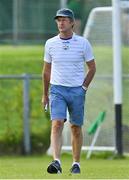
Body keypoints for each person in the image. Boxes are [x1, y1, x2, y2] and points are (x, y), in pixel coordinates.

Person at [42, 8, 96, 174]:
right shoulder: (50, 43)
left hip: (76, 91)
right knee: (57, 123)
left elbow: (92, 68)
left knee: (75, 127)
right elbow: (46, 71)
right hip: (57, 90)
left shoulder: (83, 43)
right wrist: (45, 94)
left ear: (72, 22)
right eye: (58, 20)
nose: (61, 22)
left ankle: (76, 163)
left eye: (64, 19)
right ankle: (56, 161)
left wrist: (83, 88)